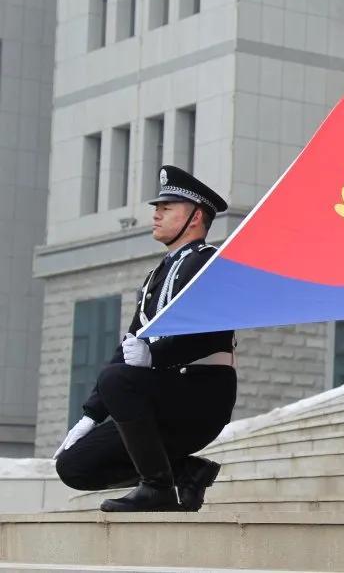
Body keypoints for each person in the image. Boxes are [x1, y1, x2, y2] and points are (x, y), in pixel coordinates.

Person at [54, 166, 237, 512]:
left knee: (117, 378)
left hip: (201, 395)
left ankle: (157, 488)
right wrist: (91, 414)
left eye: (167, 208)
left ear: (195, 216)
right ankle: (186, 472)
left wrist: (155, 357)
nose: (156, 214)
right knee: (74, 465)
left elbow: (210, 332)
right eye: (158, 208)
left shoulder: (209, 263)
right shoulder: (158, 275)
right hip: (161, 396)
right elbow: (128, 345)